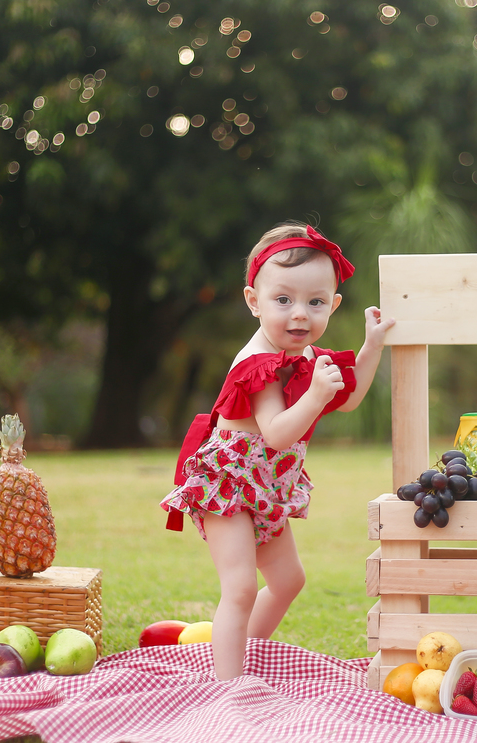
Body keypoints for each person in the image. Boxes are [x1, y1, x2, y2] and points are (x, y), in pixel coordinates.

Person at [160, 222, 395, 680]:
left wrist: (371, 346)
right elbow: (275, 433)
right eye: (283, 300)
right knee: (241, 587)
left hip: (264, 488)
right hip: (228, 486)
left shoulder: (304, 356)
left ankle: (249, 654)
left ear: (334, 304)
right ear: (254, 301)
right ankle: (226, 687)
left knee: (289, 581)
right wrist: (315, 397)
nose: (300, 315)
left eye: (315, 302)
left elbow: (348, 399)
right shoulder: (258, 362)